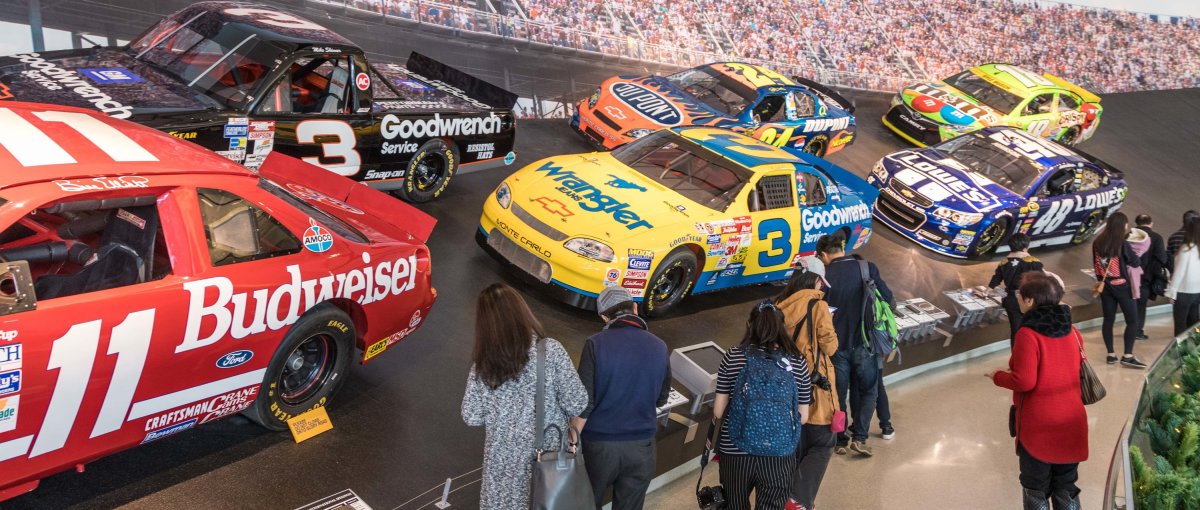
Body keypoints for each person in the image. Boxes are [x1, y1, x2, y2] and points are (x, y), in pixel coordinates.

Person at [462, 283, 588, 510]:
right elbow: (578, 402)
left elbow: (471, 416)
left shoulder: (482, 365)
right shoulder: (549, 351)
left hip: (501, 469)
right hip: (548, 464)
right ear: (522, 311)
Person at [990, 272, 1087, 510]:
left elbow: (1025, 381)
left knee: (1036, 486)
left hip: (1039, 425)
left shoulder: (1028, 334)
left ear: (1030, 300)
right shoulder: (1072, 330)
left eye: (1021, 298)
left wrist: (997, 377)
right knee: (1067, 484)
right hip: (1072, 420)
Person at [571, 287, 671, 510]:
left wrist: (572, 439)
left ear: (604, 316)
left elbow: (584, 403)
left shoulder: (595, 344)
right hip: (642, 446)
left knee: (587, 504)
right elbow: (662, 399)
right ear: (634, 308)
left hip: (600, 446)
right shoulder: (659, 346)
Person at [713, 301, 813, 510]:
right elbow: (802, 417)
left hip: (736, 450)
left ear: (749, 324)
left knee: (735, 505)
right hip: (780, 453)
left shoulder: (734, 356)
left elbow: (719, 411)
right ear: (783, 327)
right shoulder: (797, 362)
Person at [817, 234, 893, 456]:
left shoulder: (824, 276)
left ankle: (840, 440)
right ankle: (859, 437)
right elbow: (887, 298)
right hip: (864, 343)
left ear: (823, 255)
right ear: (842, 248)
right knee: (869, 390)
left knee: (838, 395)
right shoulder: (867, 268)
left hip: (835, 348)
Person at [776, 271, 839, 510]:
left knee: (796, 441)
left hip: (785, 385)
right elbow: (830, 347)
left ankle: (786, 494)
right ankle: (798, 500)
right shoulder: (818, 305)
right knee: (823, 443)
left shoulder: (779, 306)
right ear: (815, 280)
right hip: (814, 387)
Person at [1091, 212, 1145, 368]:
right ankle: (1127, 355)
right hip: (1122, 286)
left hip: (1105, 286)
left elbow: (1096, 266)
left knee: (1108, 320)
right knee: (1133, 321)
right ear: (1121, 226)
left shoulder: (1097, 242)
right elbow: (1135, 262)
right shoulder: (1121, 243)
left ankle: (1111, 354)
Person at [989, 233, 1044, 343]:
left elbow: (996, 279)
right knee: (1031, 330)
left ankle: (1016, 355)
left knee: (1016, 330)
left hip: (1011, 299)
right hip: (1029, 299)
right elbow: (1041, 281)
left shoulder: (1004, 262)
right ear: (1025, 246)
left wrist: (988, 289)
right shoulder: (1033, 262)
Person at [1134, 214, 1169, 340]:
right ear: (1151, 223)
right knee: (1141, 305)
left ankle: (1130, 329)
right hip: (1146, 278)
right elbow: (1162, 258)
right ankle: (1137, 331)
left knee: (1130, 304)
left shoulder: (1128, 236)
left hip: (1129, 277)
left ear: (1136, 223)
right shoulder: (1156, 237)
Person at [1166, 219, 1200, 336]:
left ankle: (1182, 351)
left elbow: (1179, 273)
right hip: (1197, 291)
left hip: (1183, 292)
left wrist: (1172, 293)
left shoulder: (1187, 248)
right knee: (1194, 322)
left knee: (1180, 325)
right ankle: (1195, 348)